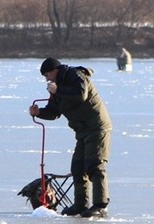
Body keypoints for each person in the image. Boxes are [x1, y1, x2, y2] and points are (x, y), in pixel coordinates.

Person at [29, 57, 112, 218]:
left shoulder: (76, 75)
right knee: (78, 168)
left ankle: (101, 206)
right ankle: (80, 205)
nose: (46, 79)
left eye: (47, 75)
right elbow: (54, 112)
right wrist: (39, 113)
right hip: (82, 130)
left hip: (97, 127)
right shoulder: (56, 87)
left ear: (55, 71)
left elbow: (80, 95)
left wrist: (57, 91)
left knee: (94, 166)